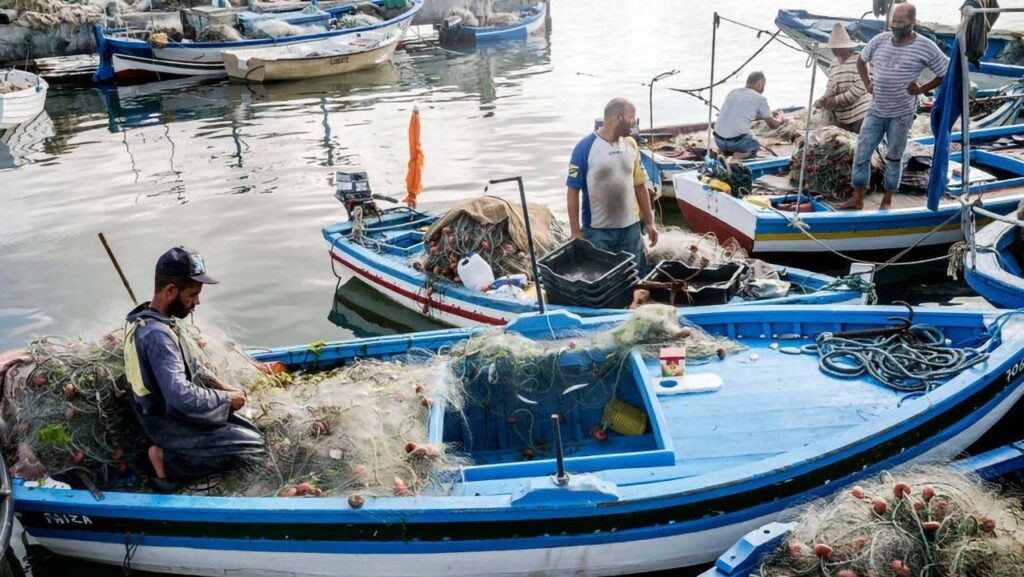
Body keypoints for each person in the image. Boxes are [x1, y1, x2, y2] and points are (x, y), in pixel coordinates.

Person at [123, 247, 265, 493]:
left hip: (166, 411)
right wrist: (226, 400)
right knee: (254, 448)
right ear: (170, 291)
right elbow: (180, 397)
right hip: (168, 423)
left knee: (250, 430)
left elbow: (190, 365)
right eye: (193, 294)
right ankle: (165, 459)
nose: (197, 301)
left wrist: (220, 385)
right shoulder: (157, 336)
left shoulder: (150, 318)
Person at [841, 2, 948, 210]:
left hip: (902, 112)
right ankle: (858, 197)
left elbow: (945, 72)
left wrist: (922, 88)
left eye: (901, 22)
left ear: (912, 23)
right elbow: (861, 61)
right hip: (876, 108)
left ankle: (887, 198)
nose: (896, 25)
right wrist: (867, 83)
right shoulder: (879, 40)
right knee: (862, 151)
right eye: (894, 21)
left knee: (894, 156)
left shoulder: (925, 46)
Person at [566, 98, 658, 274]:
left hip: (630, 229)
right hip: (598, 232)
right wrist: (575, 231)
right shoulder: (584, 148)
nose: (634, 122)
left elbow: (640, 185)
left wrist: (649, 222)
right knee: (603, 278)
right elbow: (572, 192)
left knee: (636, 276)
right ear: (619, 117)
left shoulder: (631, 144)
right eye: (632, 117)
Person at [713, 71, 787, 160]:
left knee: (739, 134)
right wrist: (781, 117)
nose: (763, 88)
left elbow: (741, 114)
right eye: (764, 85)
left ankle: (728, 152)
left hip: (719, 142)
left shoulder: (733, 92)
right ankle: (742, 155)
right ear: (760, 83)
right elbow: (773, 125)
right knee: (754, 144)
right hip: (736, 143)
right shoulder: (760, 98)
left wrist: (766, 115)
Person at [814, 23, 872, 133]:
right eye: (833, 48)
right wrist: (823, 99)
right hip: (843, 117)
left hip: (861, 114)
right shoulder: (834, 64)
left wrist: (835, 100)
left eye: (837, 47)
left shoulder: (859, 60)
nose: (834, 50)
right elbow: (831, 85)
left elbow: (859, 89)